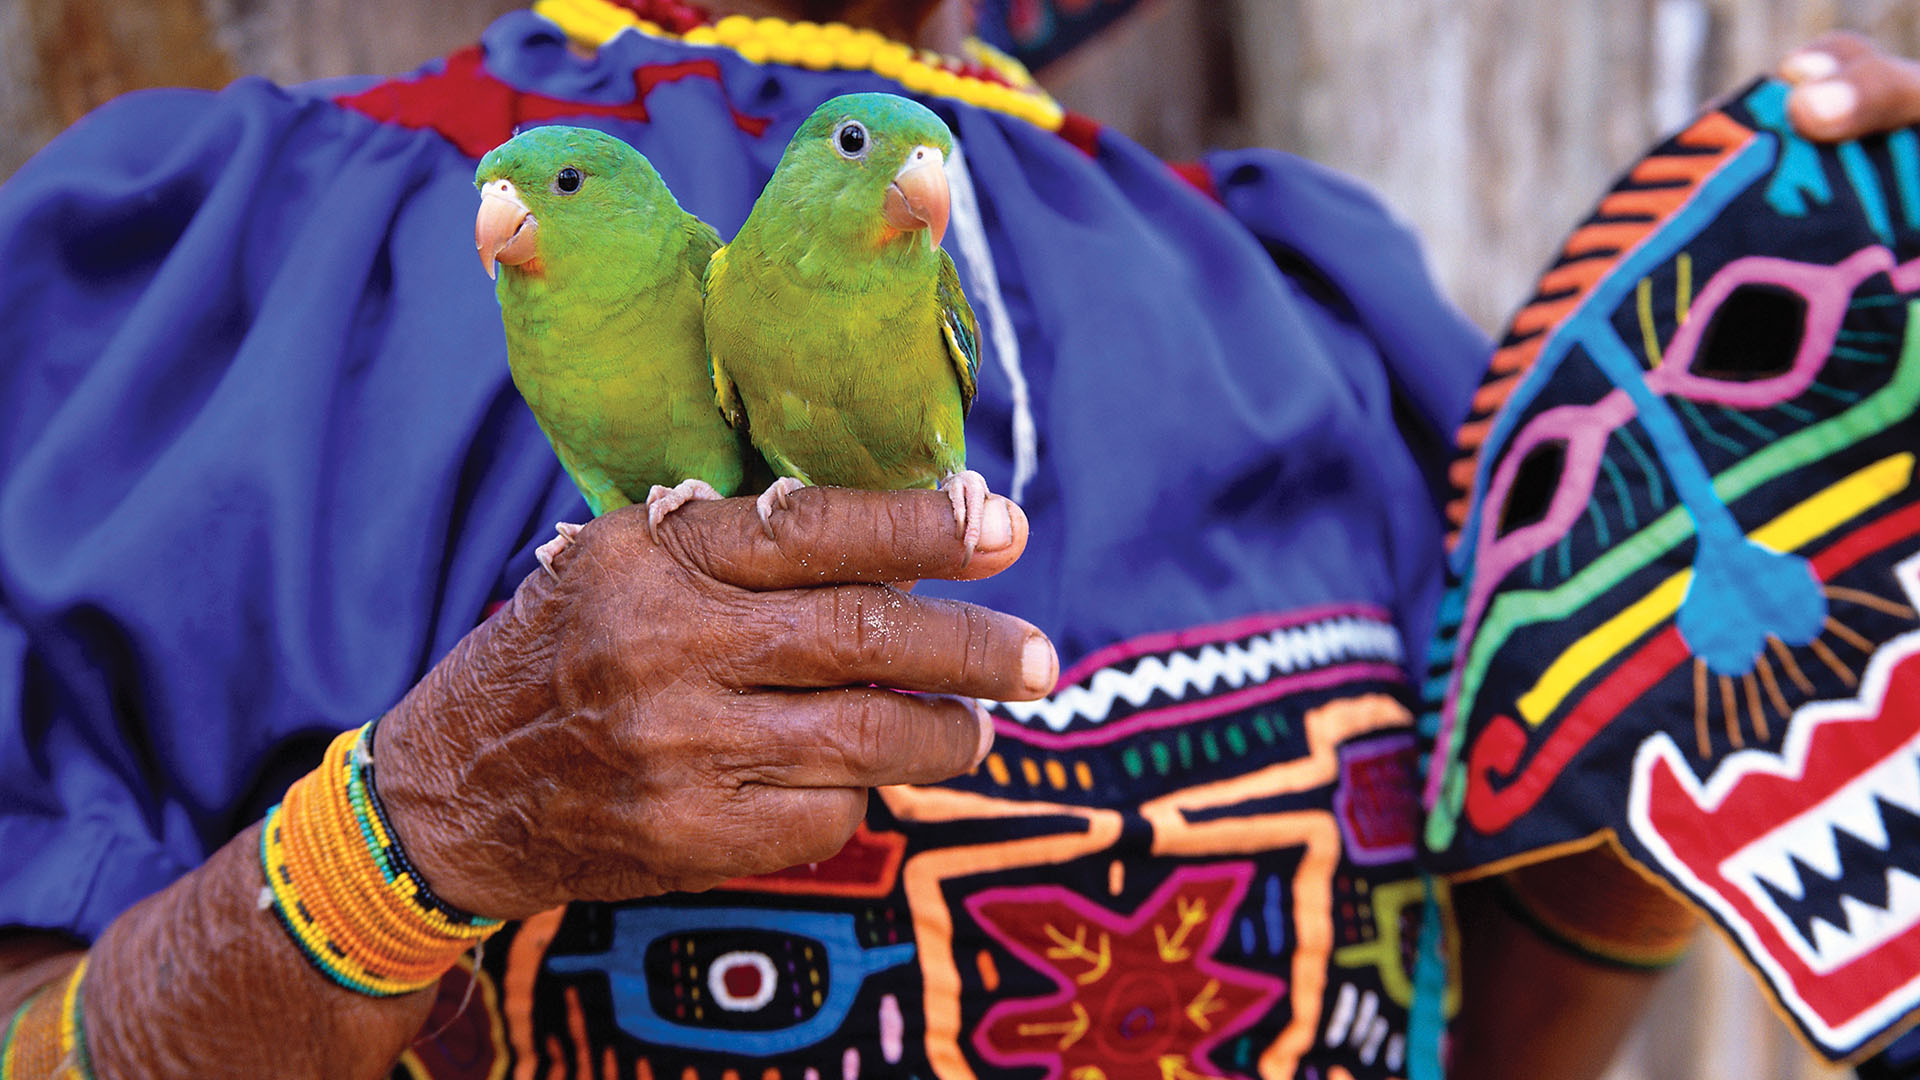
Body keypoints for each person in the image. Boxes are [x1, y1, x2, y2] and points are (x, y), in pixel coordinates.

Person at [1, 2, 1916, 1077]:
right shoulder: (272, 273)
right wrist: (426, 829)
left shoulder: (1308, 307)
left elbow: (1471, 1044)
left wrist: (1738, 574)